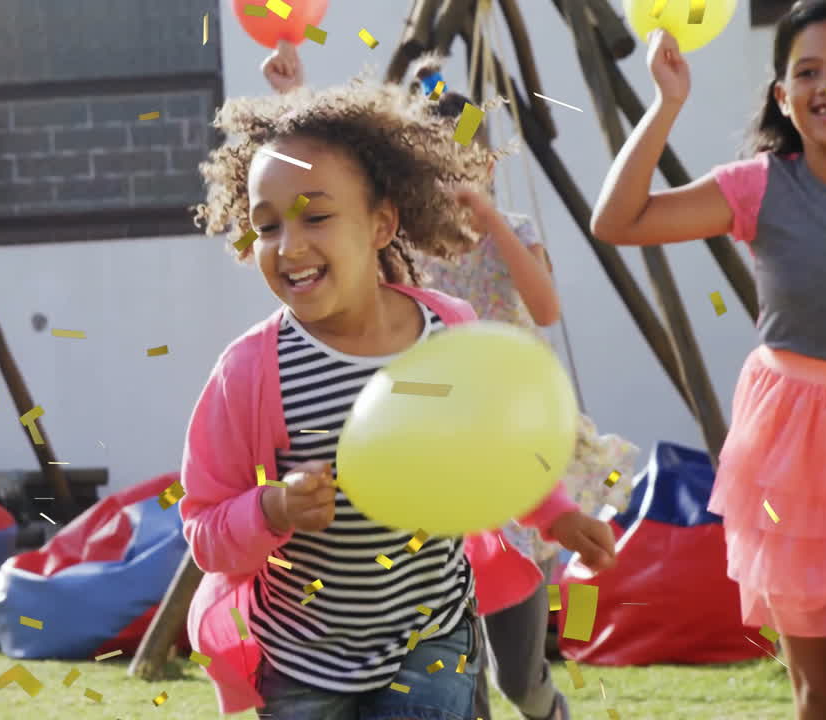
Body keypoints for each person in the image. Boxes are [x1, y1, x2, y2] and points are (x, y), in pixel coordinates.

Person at [179, 72, 617, 720]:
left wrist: (555, 514)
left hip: (431, 646)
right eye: (266, 226)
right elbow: (205, 529)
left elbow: (491, 453)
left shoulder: (448, 332)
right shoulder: (248, 371)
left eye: (317, 216)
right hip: (301, 663)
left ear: (382, 224)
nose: (289, 246)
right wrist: (271, 507)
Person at [590, 2, 826, 718]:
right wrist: (667, 104)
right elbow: (619, 221)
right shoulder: (761, 186)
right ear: (782, 96)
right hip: (796, 455)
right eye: (809, 71)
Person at [403, 53, 640, 720]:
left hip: (515, 452)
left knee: (521, 679)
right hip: (437, 458)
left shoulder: (516, 233)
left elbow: (546, 310)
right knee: (456, 672)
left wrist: (494, 222)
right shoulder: (401, 245)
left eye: (470, 170)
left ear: (490, 168)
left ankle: (545, 704)